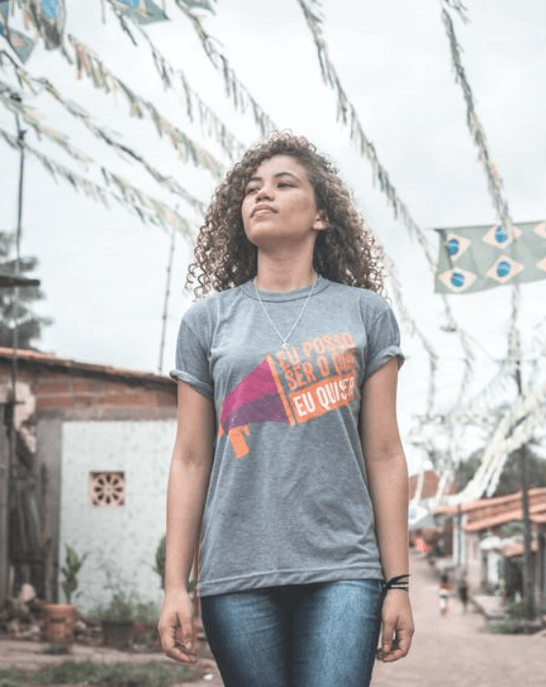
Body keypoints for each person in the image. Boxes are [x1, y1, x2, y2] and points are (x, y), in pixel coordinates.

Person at [156, 132, 415, 687]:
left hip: (344, 569)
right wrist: (175, 585)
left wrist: (398, 584)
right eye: (251, 189)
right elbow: (191, 458)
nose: (262, 196)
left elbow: (386, 455)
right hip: (235, 572)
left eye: (283, 184)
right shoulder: (206, 322)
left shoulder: (366, 315)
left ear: (322, 215)